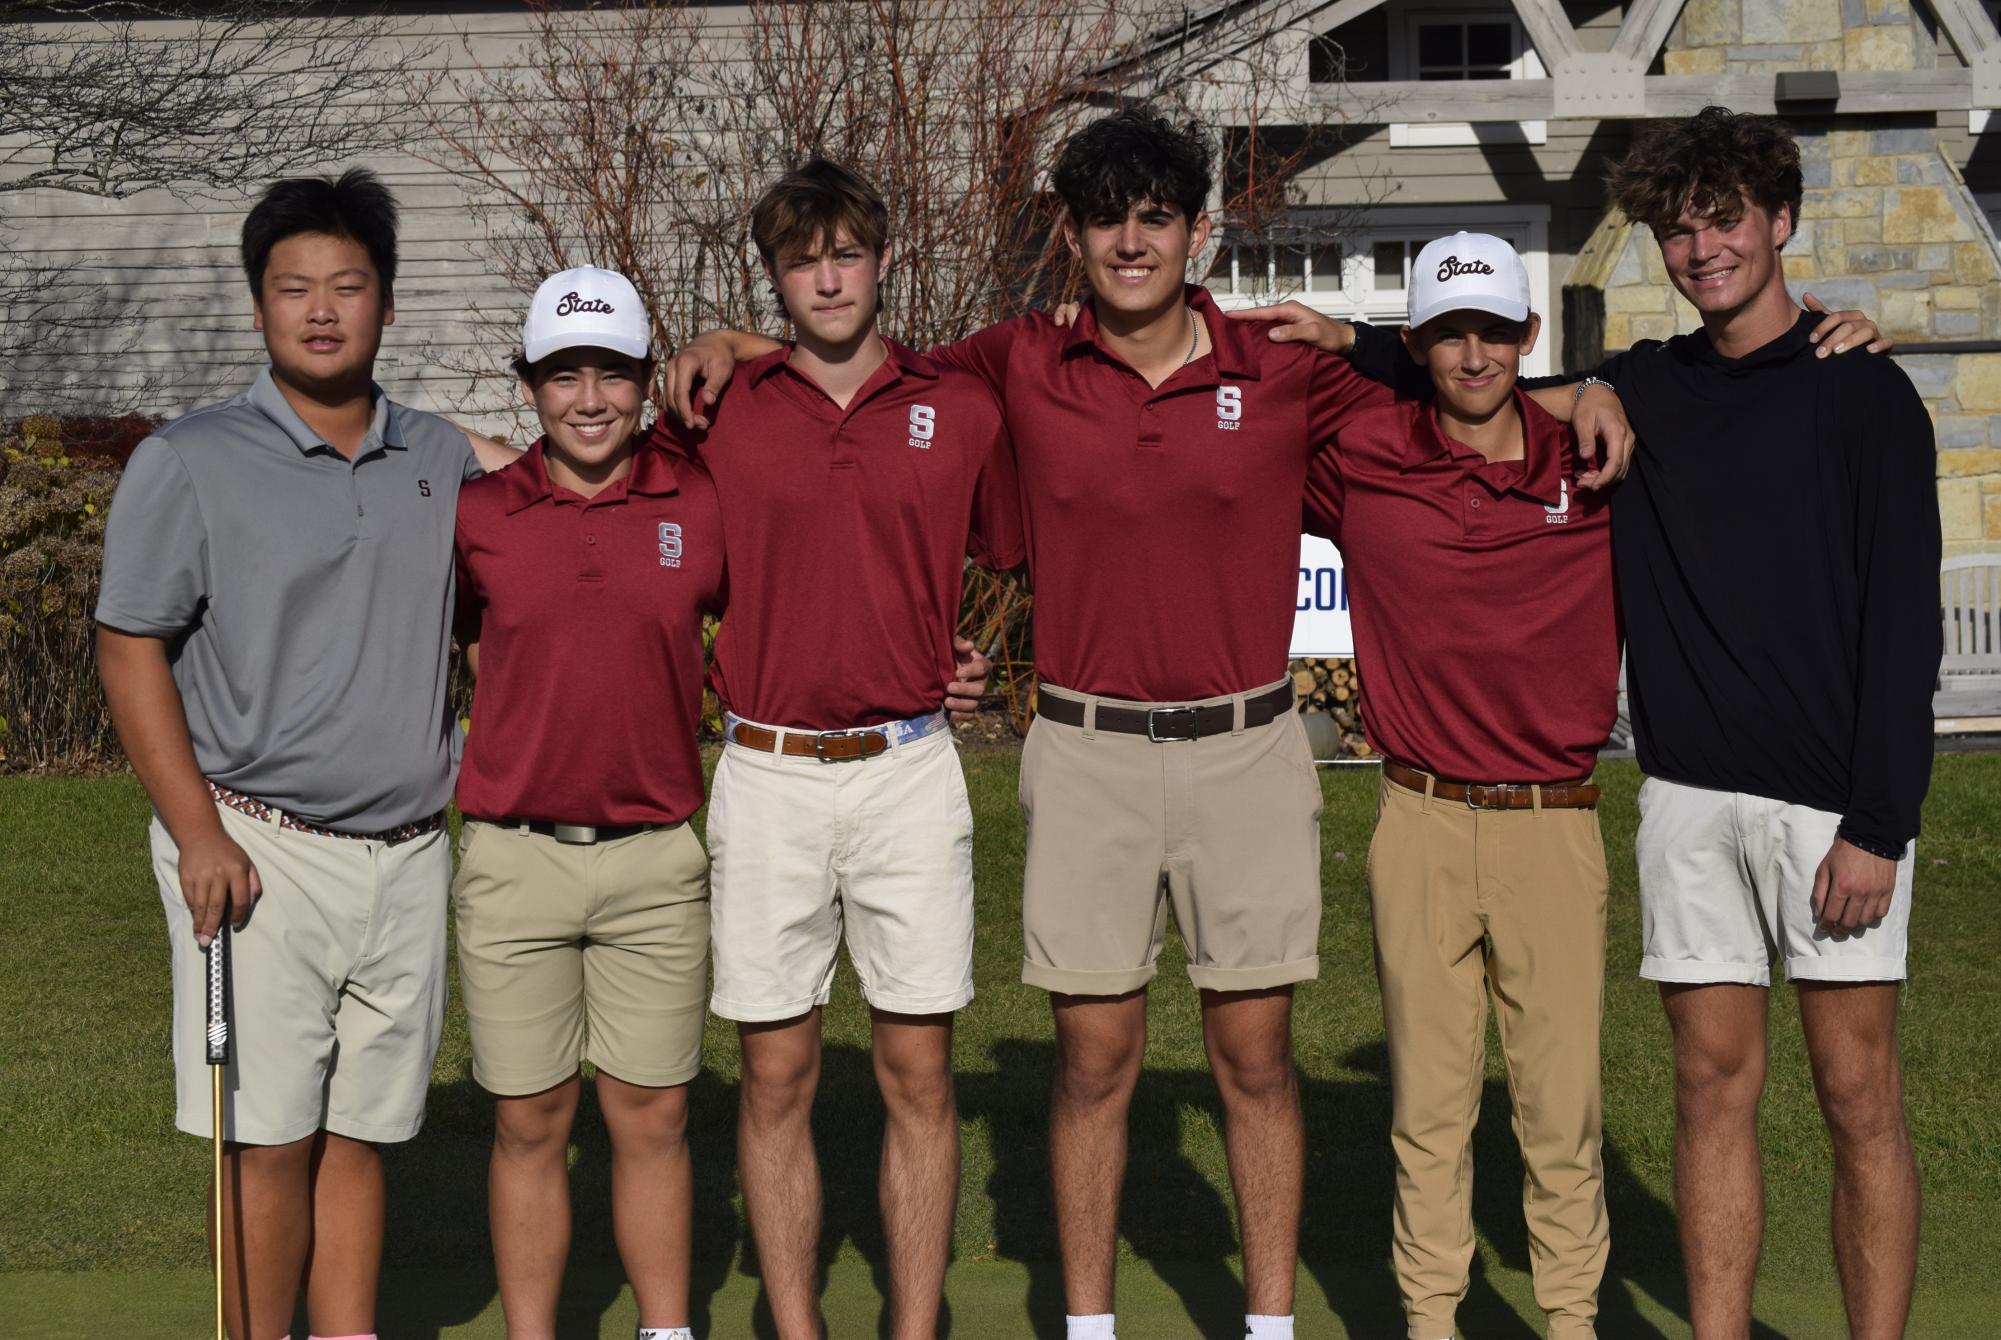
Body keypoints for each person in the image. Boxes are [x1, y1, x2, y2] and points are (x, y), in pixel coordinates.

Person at [668, 111, 1634, 1340]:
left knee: (1255, 1061)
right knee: (1092, 1064)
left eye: (1157, 216)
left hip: (1246, 746)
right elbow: (862, 358)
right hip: (1087, 751)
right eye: (1108, 218)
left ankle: (1270, 1323)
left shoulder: (1280, 360)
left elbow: (1452, 377)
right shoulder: (1018, 360)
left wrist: (1590, 382)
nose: (1133, 240)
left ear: (1195, 230)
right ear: (1071, 237)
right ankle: (1089, 1323)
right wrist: (737, 336)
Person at [95, 168, 515, 1340]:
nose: (322, 309)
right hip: (257, 852)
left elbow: (594, 477)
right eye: (295, 288)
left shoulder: (441, 457)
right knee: (268, 1141)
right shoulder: (190, 459)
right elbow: (129, 646)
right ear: (260, 304)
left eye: (348, 284)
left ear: (387, 300)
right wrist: (196, 834)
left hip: (409, 856)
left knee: (364, 1135)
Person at [655, 159, 1022, 1340]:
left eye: (846, 253)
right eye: (801, 257)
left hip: (909, 769)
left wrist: (979, 660)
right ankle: (798, 1328)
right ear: (772, 274)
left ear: (880, 260)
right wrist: (730, 342)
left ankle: (917, 1328)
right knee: (775, 1077)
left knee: (919, 1072)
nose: (827, 275)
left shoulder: (957, 405)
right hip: (765, 771)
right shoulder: (721, 408)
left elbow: (1032, 546)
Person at [1601, 106, 1936, 1340]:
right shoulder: (1640, 385)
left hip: (1832, 813)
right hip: (1687, 803)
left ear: (1780, 220)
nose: (1703, 250)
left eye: (1725, 219)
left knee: (1859, 1096)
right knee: (1709, 1088)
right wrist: (1587, 378)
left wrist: (1879, 826)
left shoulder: (1869, 395)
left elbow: (1908, 632)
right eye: (1678, 232)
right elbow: (1464, 375)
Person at [1303, 231, 1620, 1340]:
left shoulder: (1597, 453)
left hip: (1553, 821)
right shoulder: (1363, 453)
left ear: (1528, 336)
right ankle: (1429, 1322)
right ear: (1416, 342)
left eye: (1493, 330)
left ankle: (1571, 1320)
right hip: (1420, 817)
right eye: (1448, 334)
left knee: (1559, 1113)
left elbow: (1728, 390)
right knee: (1429, 1113)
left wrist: (1606, 388)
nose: (1473, 354)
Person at [450, 266, 723, 1340]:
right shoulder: (481, 513)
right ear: (528, 388)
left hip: (656, 859)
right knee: (529, 1120)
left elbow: (778, 614)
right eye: (564, 374)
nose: (591, 396)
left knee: (651, 1114)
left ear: (646, 379)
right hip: (516, 858)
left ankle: (664, 1329)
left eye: (612, 370)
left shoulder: (697, 500)